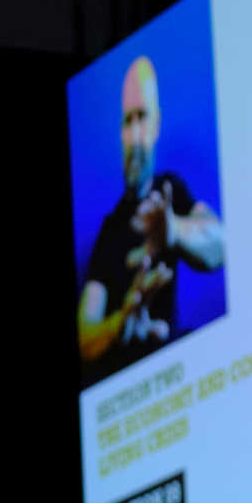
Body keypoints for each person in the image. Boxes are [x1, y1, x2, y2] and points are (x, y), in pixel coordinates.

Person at [78, 56, 225, 384]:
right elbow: (84, 336)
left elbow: (219, 244)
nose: (134, 135)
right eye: (126, 121)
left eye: (141, 117)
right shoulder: (109, 230)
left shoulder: (170, 189)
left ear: (156, 125)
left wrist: (173, 229)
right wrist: (119, 324)